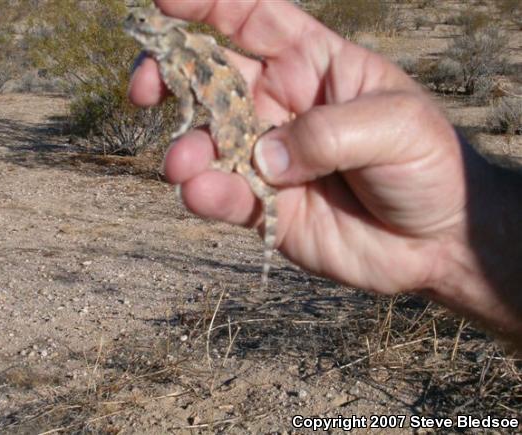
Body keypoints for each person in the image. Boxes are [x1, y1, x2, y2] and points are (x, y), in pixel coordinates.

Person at [128, 0, 522, 348]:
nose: (135, 28)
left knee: (212, 157)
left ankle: (238, 166)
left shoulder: (182, 56)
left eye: (142, 24)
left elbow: (183, 102)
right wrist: (456, 239)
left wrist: (454, 231)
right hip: (243, 121)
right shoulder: (182, 53)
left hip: (239, 128)